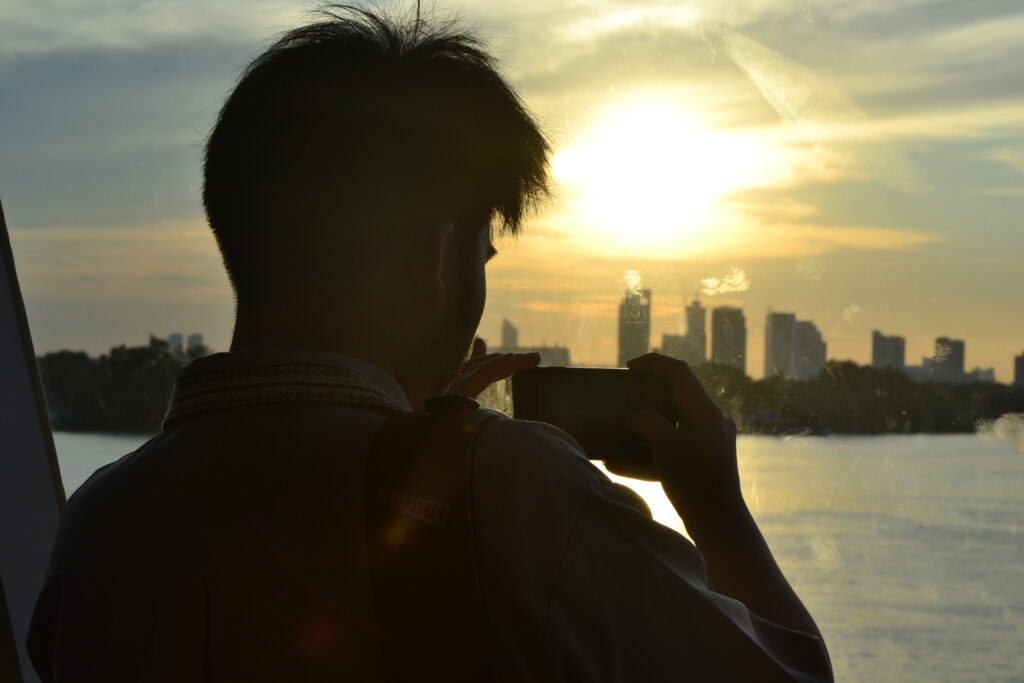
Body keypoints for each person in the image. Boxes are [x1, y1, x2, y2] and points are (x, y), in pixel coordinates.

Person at [27, 6, 831, 681]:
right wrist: (718, 513)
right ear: (439, 258)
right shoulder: (506, 489)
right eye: (483, 252)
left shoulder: (97, 521)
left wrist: (410, 432)